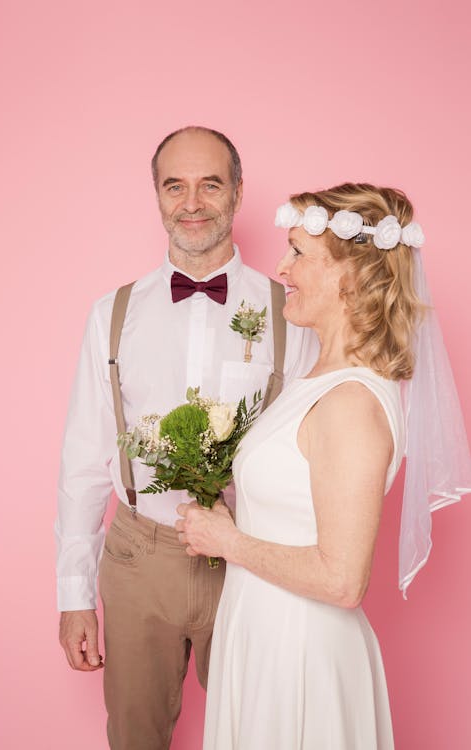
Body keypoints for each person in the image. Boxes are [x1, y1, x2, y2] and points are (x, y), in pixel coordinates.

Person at [177, 183, 471, 749]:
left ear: (350, 276)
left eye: (297, 252)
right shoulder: (316, 379)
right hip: (265, 637)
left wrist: (226, 540)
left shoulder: (352, 404)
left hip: (300, 657)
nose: (281, 267)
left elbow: (342, 580)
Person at [55, 126, 317, 750]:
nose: (192, 202)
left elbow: (313, 451)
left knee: (259, 733)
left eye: (210, 184)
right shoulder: (111, 314)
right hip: (138, 557)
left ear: (238, 193)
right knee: (135, 738)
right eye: (176, 186)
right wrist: (73, 594)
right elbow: (84, 461)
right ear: (157, 195)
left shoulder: (292, 311)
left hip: (250, 559)